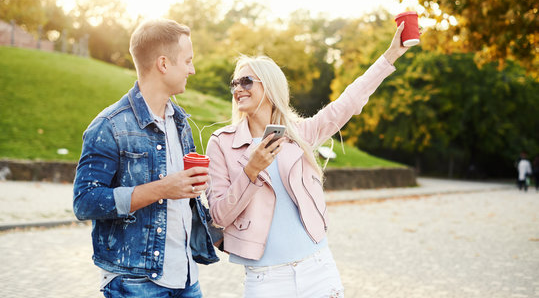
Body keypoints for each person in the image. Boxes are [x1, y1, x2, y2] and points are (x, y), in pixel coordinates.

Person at [205, 22, 410, 297]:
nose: (238, 88)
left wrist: (391, 55)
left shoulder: (299, 135)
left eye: (247, 81)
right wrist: (251, 171)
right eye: (235, 83)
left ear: (270, 86)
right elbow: (218, 214)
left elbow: (349, 101)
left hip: (317, 269)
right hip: (265, 280)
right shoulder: (221, 143)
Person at [73, 18, 220, 298]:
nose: (193, 69)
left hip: (186, 278)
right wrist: (162, 189)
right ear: (164, 64)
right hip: (135, 283)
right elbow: (85, 203)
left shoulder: (180, 122)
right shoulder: (109, 125)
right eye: (187, 61)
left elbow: (182, 200)